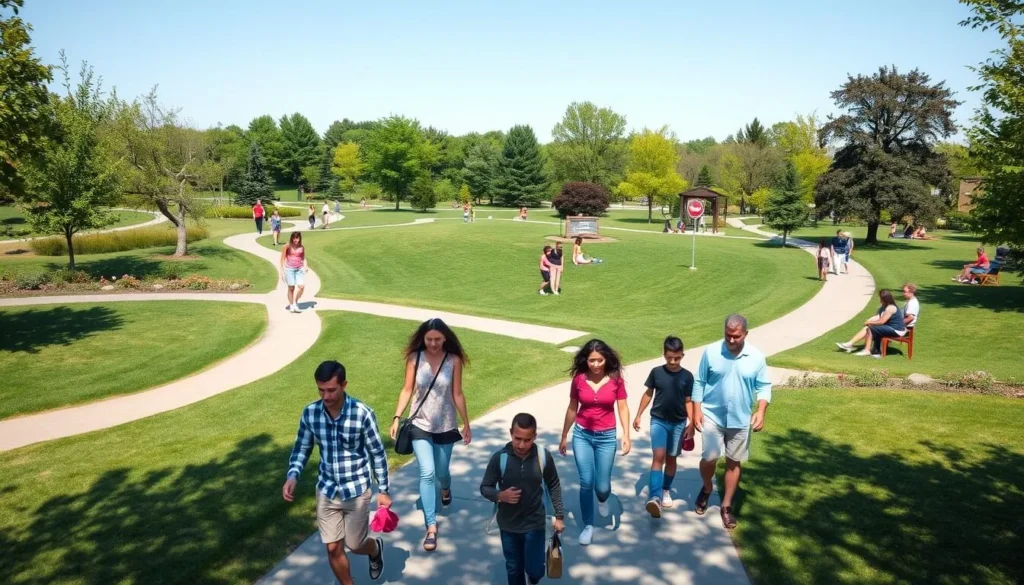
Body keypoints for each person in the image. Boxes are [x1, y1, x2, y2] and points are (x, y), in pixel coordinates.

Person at [282, 360, 389, 585]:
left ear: (344, 385)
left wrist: (383, 490)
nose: (326, 396)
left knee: (355, 544)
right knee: (332, 548)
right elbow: (302, 447)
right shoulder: (310, 413)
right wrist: (293, 475)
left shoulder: (362, 413)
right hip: (327, 489)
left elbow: (377, 453)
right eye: (321, 390)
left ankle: (374, 549)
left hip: (357, 490)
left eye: (331, 390)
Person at [389, 319, 472, 552]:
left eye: (437, 339)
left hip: (445, 425)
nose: (433, 343)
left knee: (442, 472)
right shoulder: (415, 359)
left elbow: (457, 393)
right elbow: (407, 389)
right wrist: (397, 416)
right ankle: (432, 526)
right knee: (427, 472)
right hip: (420, 424)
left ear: (445, 338)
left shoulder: (454, 360)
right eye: (429, 339)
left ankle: (445, 488)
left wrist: (466, 423)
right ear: (423, 338)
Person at [692, 314, 771, 531]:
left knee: (733, 461)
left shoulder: (756, 357)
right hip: (712, 414)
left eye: (736, 336)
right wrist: (696, 410)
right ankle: (707, 488)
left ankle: (726, 506)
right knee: (709, 457)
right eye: (728, 335)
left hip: (740, 418)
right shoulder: (711, 352)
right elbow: (699, 381)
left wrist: (761, 410)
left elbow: (764, 386)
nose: (732, 340)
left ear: (745, 333)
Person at [558, 339, 631, 546]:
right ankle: (588, 525)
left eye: (599, 360)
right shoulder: (579, 380)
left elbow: (623, 408)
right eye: (592, 360)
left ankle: (603, 498)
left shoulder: (616, 380)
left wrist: (626, 434)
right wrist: (564, 435)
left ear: (606, 359)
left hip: (607, 437)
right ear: (586, 360)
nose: (596, 364)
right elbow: (572, 408)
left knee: (601, 486)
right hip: (582, 435)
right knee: (586, 482)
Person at [480, 413, 565, 585]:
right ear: (511, 432)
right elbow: (485, 487)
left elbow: (553, 485)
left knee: (535, 570)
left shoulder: (543, 457)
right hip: (508, 525)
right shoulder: (500, 458)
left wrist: (559, 516)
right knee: (513, 568)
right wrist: (500, 495)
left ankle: (533, 577)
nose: (521, 445)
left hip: (534, 524)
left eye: (527, 440)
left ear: (535, 436)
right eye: (517, 438)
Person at [633, 336, 694, 518]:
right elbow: (648, 394)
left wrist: (691, 423)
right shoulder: (656, 372)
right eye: (669, 357)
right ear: (664, 355)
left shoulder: (687, 376)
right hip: (658, 420)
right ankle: (654, 497)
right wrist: (638, 415)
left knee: (671, 458)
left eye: (677, 358)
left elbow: (689, 401)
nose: (673, 361)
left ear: (682, 355)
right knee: (658, 456)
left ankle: (665, 489)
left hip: (678, 423)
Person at [835, 289, 906, 357]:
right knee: (867, 327)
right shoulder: (884, 307)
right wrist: (869, 321)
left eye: (880, 298)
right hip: (889, 327)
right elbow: (878, 316)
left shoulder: (891, 308)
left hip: (896, 330)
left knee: (871, 329)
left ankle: (866, 350)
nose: (879, 299)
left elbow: (882, 321)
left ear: (885, 299)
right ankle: (850, 344)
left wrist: (870, 322)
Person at [279, 231, 307, 313]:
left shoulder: (301, 247)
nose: (296, 240)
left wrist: (306, 265)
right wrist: (282, 271)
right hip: (289, 269)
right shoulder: (287, 246)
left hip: (299, 269)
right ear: (292, 238)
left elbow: (303, 257)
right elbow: (282, 258)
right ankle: (291, 305)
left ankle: (295, 302)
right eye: (294, 238)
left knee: (301, 287)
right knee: (291, 288)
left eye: (297, 238)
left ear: (299, 238)